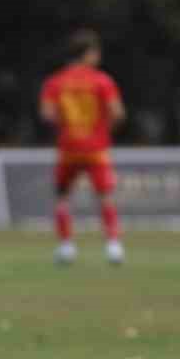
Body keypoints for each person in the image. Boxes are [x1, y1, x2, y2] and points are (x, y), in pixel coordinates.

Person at [39, 29, 126, 265]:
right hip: (96, 148)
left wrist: (66, 126)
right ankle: (113, 246)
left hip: (68, 148)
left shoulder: (55, 82)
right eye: (95, 52)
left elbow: (47, 114)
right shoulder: (102, 80)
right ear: (86, 54)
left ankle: (66, 247)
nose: (98, 57)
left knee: (62, 197)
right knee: (105, 197)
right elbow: (117, 112)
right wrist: (104, 129)